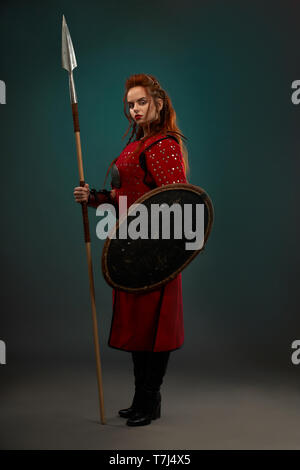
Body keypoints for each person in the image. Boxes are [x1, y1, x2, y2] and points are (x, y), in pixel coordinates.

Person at [74, 73, 189, 426]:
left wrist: (159, 248)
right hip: (131, 251)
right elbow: (126, 197)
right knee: (140, 328)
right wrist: (94, 197)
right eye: (130, 104)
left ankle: (150, 401)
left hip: (155, 255)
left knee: (155, 329)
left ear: (157, 103)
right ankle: (141, 400)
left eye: (141, 102)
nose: (135, 109)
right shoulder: (136, 145)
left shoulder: (164, 144)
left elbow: (177, 202)